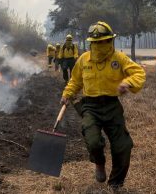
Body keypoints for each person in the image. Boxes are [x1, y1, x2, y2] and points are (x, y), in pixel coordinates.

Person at [60, 21, 146, 190]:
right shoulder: (84, 59)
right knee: (93, 141)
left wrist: (128, 82)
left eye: (105, 41)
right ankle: (99, 162)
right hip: (90, 107)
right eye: (97, 43)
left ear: (110, 41)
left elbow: (138, 72)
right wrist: (67, 94)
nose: (101, 45)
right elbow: (75, 80)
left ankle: (115, 184)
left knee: (123, 146)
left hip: (112, 106)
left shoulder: (119, 58)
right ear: (92, 43)